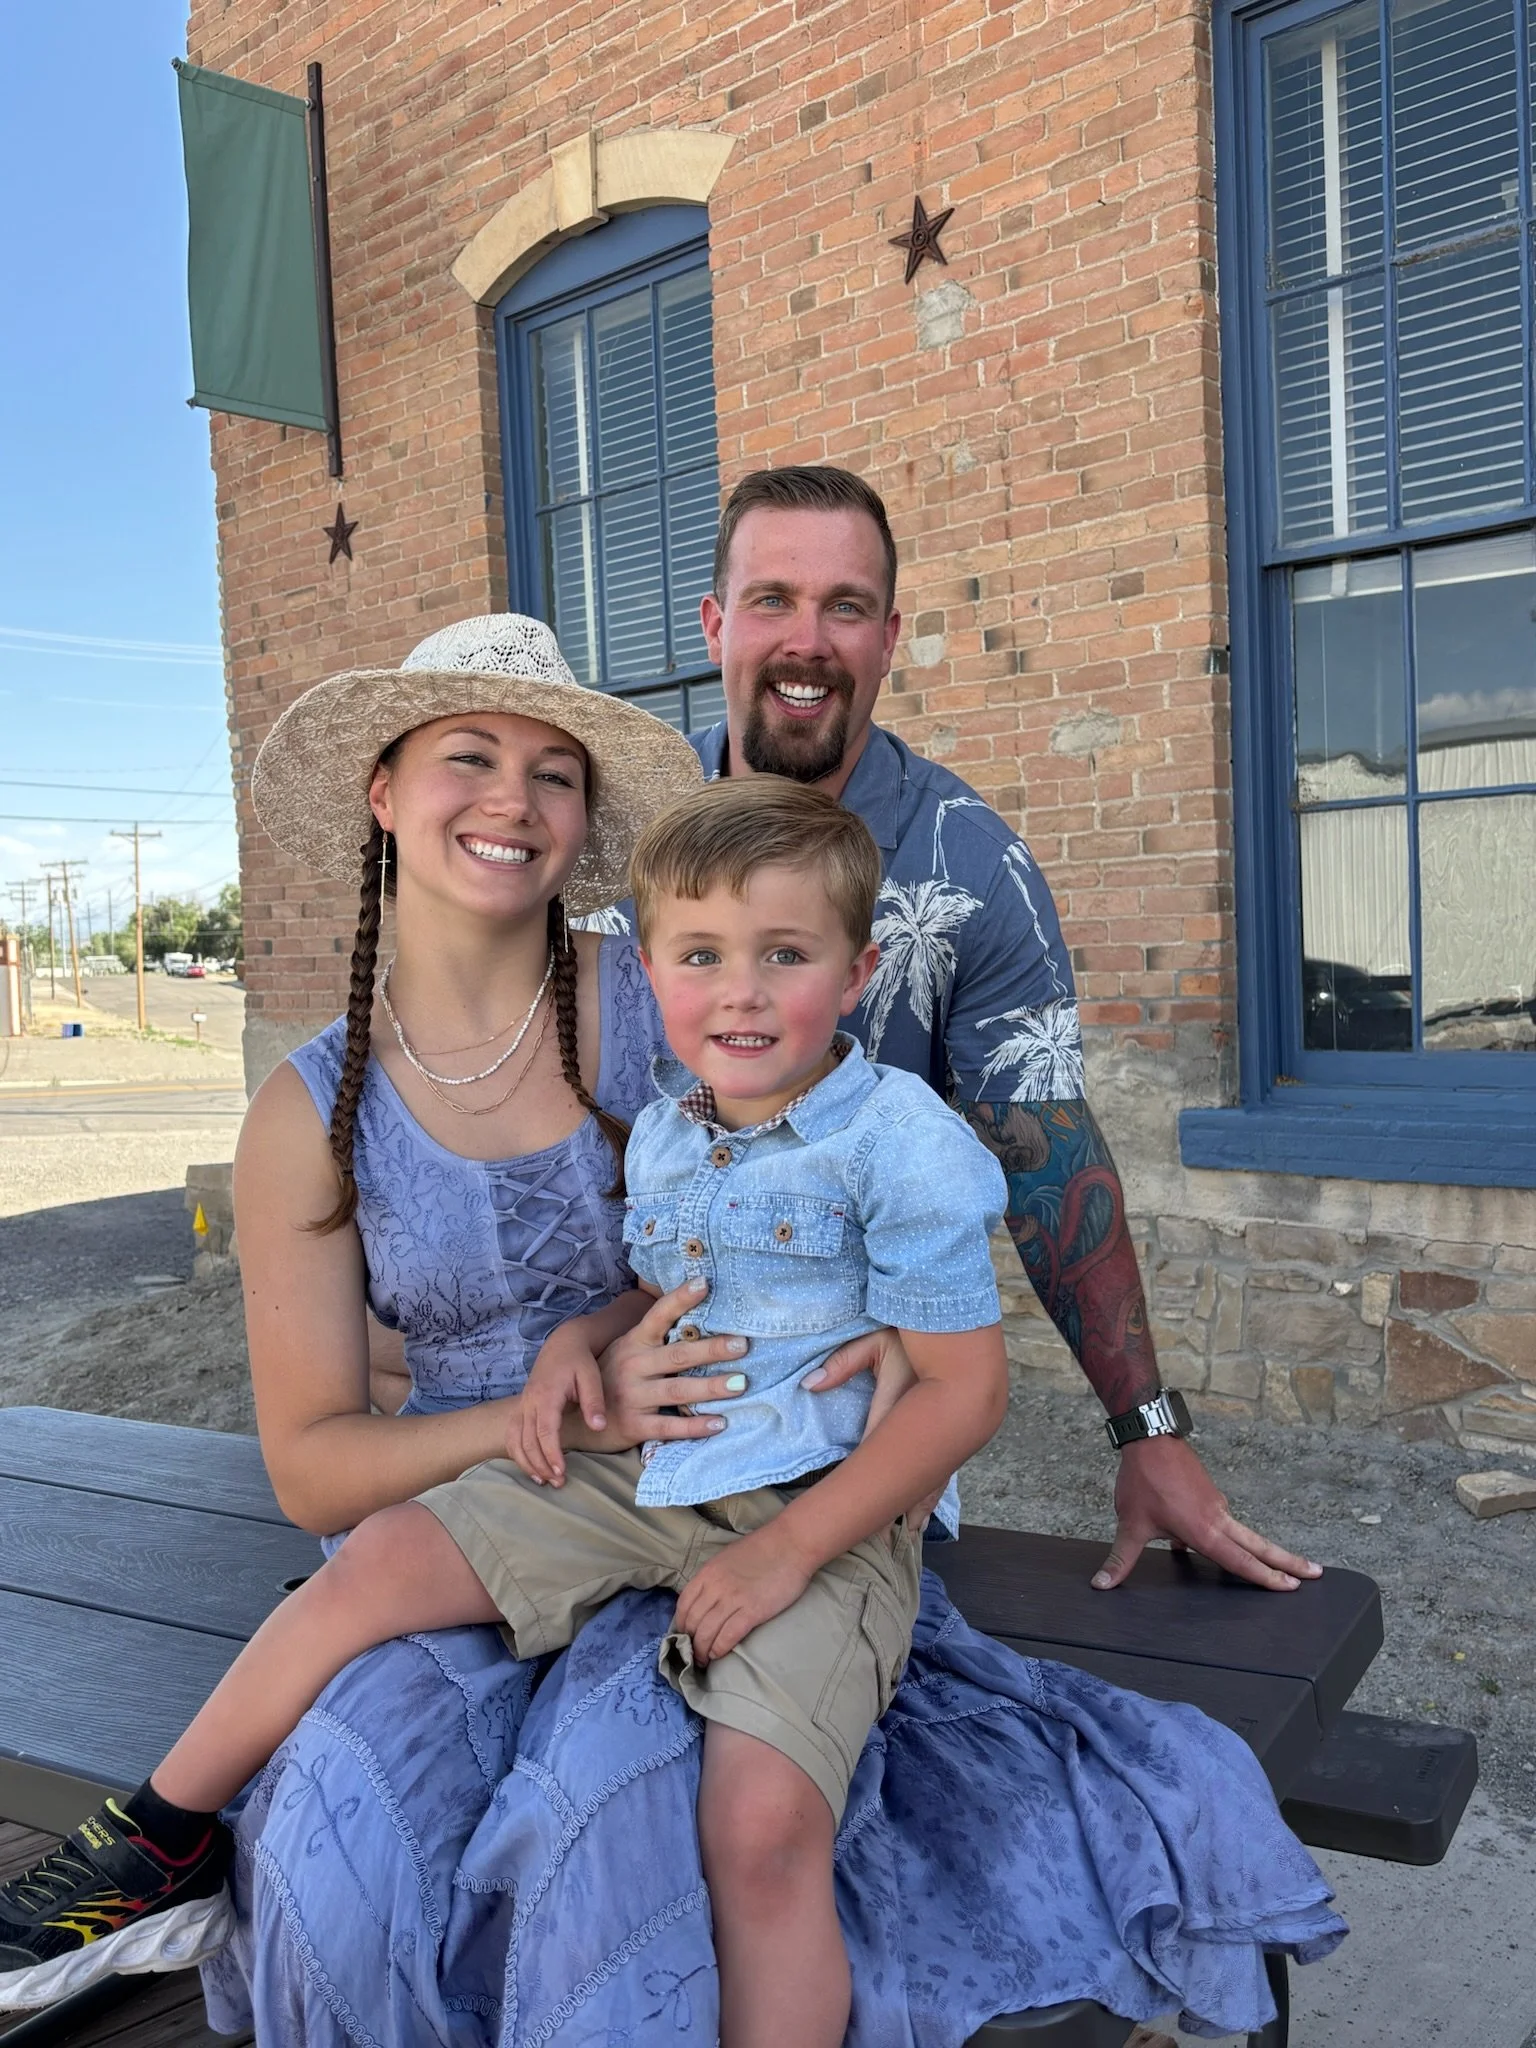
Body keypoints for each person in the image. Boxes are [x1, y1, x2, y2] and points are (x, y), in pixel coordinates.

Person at [0, 613, 1343, 2045]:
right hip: (538, 1489)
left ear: (586, 830)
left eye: (553, 772)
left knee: (633, 1849)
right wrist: (573, 1380)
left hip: (766, 1485)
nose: (514, 799)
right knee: (336, 1845)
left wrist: (1021, 1372)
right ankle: (157, 1846)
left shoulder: (682, 992)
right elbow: (320, 1466)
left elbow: (885, 1167)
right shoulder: (315, 1104)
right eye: (468, 755)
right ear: (382, 791)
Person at [0, 779, 1010, 2048]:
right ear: (657, 969)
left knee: (762, 1827)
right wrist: (568, 1355)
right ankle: (156, 1839)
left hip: (816, 1500)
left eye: (786, 956)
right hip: (641, 1461)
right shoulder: (674, 1129)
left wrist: (787, 1549)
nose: (743, 990)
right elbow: (662, 1284)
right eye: (704, 957)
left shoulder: (899, 1141)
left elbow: (968, 1385)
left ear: (858, 973)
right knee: (382, 1557)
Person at [672, 463, 1322, 1598]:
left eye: (848, 606)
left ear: (889, 640)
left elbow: (1043, 1142)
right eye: (773, 599)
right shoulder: (623, 833)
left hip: (848, 1429)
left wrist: (1149, 1427)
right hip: (635, 1382)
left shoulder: (969, 863)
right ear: (717, 623)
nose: (807, 641)